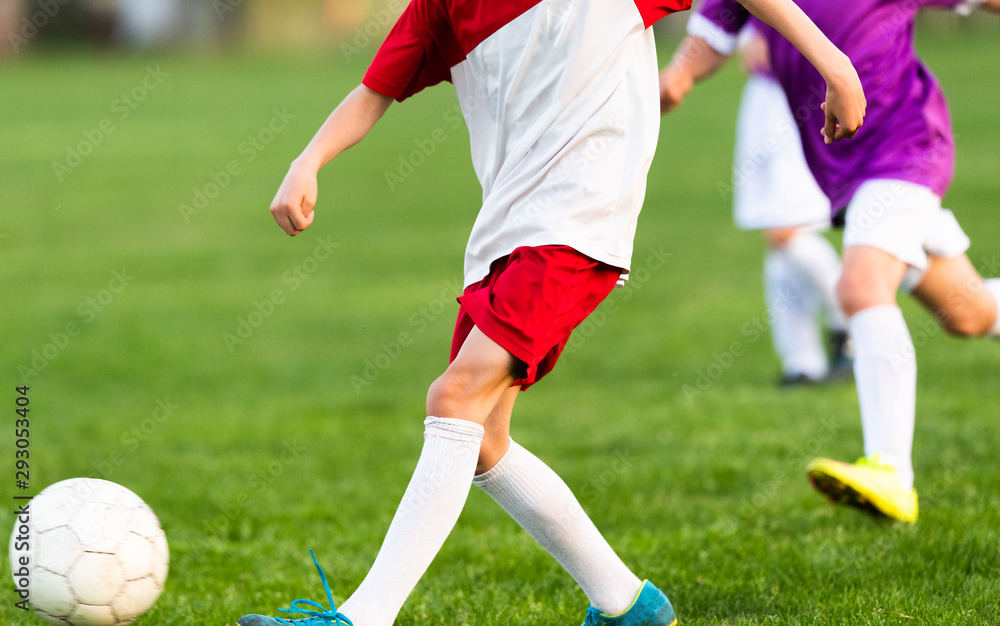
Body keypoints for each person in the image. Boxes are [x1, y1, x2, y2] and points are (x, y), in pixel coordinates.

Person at [237, 0, 864, 624]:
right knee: (482, 437)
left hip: (580, 215)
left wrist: (834, 65)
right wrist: (308, 160)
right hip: (505, 230)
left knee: (454, 399)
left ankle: (363, 618)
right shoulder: (441, 7)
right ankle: (626, 604)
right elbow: (374, 90)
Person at [660, 0, 1000, 524]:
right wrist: (677, 75)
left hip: (906, 149)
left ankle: (890, 471)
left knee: (861, 288)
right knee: (970, 313)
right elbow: (713, 33)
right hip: (846, 173)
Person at [730, 25, 851, 386]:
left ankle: (851, 320)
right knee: (776, 236)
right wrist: (745, 34)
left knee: (785, 232)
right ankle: (802, 362)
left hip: (803, 93)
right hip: (765, 95)